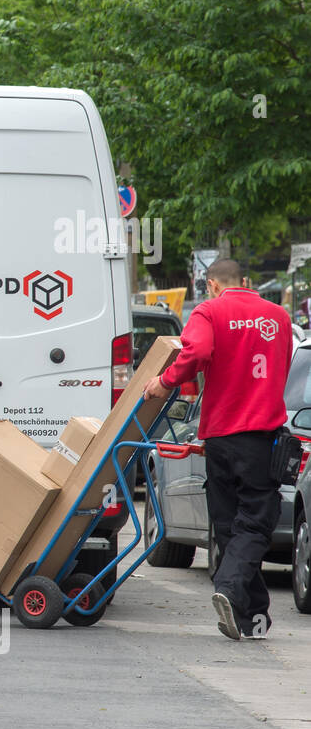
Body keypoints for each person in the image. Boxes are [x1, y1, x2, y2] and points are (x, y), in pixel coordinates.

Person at [144, 258, 292, 640]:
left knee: (229, 524)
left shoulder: (209, 311)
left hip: (221, 437)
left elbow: (195, 354)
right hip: (261, 437)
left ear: (210, 284)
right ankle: (230, 592)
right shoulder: (279, 316)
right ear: (246, 281)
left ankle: (251, 618)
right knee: (257, 520)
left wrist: (164, 382)